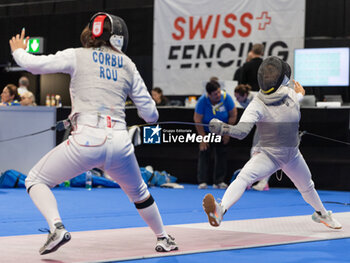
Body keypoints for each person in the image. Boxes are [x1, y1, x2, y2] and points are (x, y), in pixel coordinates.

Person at [9, 13, 178, 255]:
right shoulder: (128, 64)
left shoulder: (77, 55)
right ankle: (163, 237)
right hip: (120, 143)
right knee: (140, 193)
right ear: (120, 37)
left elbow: (36, 65)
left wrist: (18, 51)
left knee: (35, 179)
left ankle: (56, 227)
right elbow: (151, 115)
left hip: (86, 141)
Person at [203, 56, 342, 230]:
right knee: (244, 177)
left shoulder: (290, 94)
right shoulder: (258, 104)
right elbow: (241, 132)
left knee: (307, 187)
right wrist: (223, 128)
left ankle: (321, 214)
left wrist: (301, 92)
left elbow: (299, 95)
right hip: (269, 155)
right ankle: (220, 210)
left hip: (292, 156)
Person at [194, 78, 237, 189]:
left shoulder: (226, 98)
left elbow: (233, 115)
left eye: (219, 91)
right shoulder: (202, 101)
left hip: (222, 130)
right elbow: (197, 120)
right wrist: (203, 139)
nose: (218, 95)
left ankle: (219, 181)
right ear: (209, 95)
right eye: (215, 94)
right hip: (207, 131)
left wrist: (227, 132)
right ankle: (202, 181)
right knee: (204, 153)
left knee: (221, 155)